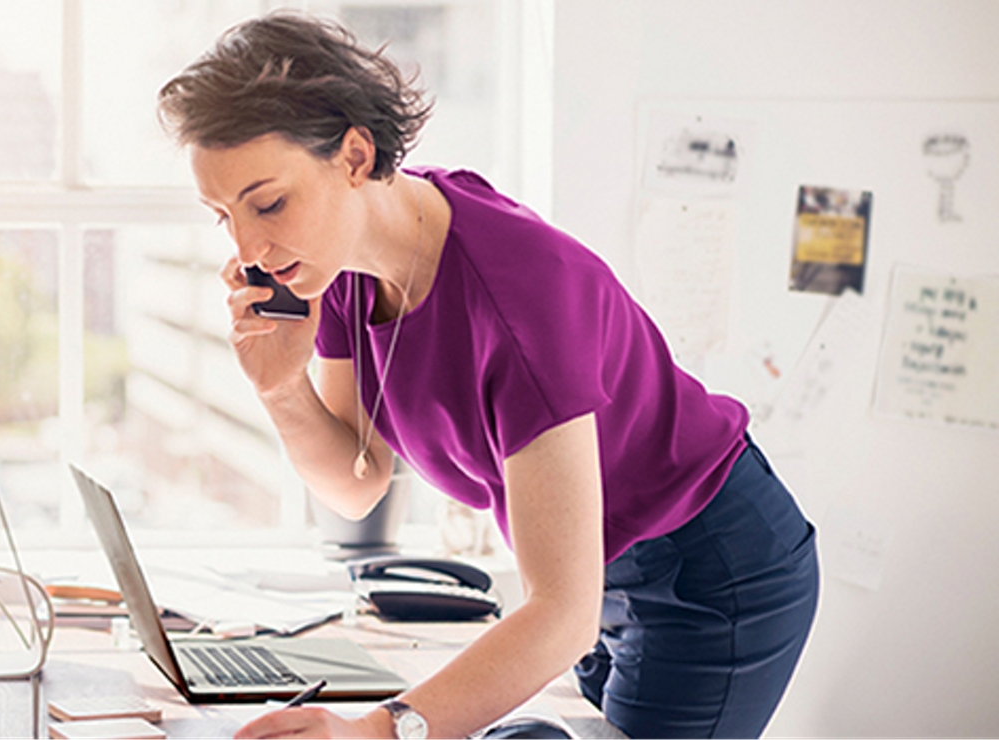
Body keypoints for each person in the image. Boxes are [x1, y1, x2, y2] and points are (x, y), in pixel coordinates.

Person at [157, 11, 819, 739]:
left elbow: (561, 615)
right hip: (596, 576)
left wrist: (377, 731)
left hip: (710, 566)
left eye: (269, 203)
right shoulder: (340, 268)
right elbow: (358, 481)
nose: (250, 247)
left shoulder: (519, 295)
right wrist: (280, 386)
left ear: (352, 156)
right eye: (224, 216)